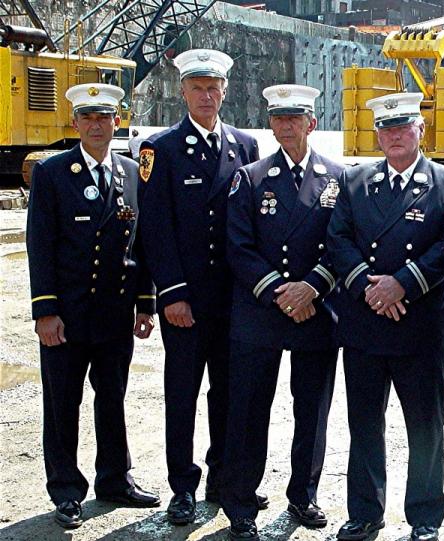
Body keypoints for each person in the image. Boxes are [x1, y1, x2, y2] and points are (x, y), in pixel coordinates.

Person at [327, 92, 444, 541]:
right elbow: (338, 240)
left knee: (426, 425)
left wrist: (402, 282)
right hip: (366, 321)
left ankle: (425, 514)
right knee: (364, 421)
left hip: (420, 323)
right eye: (387, 129)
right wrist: (371, 285)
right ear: (377, 135)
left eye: (404, 127)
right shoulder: (355, 181)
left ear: (420, 130)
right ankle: (366, 510)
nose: (395, 136)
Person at [137, 48, 263, 524]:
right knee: (183, 393)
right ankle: (182, 486)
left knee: (229, 392)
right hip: (186, 300)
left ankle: (224, 476)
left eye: (214, 88)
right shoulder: (161, 149)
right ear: (183, 92)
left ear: (225, 92)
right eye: (197, 88)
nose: (206, 96)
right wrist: (170, 293)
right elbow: (155, 228)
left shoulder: (244, 146)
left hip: (232, 300)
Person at [27, 83, 160, 529]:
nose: (97, 125)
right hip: (65, 314)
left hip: (114, 313)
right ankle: (66, 489)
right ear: (75, 124)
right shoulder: (52, 173)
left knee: (114, 399)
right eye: (88, 117)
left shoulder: (131, 173)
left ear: (116, 122)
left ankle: (115, 479)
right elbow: (40, 246)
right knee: (63, 402)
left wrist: (145, 304)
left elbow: (140, 245)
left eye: (105, 117)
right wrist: (45, 311)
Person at [220, 84, 344, 540]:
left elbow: (341, 243)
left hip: (315, 309)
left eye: (295, 118)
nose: (286, 126)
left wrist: (311, 287)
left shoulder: (337, 177)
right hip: (262, 312)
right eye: (278, 119)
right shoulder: (250, 178)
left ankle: (303, 493)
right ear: (271, 124)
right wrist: (280, 292)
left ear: (311, 123)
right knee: (249, 409)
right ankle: (240, 502)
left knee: (312, 409)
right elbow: (238, 246)